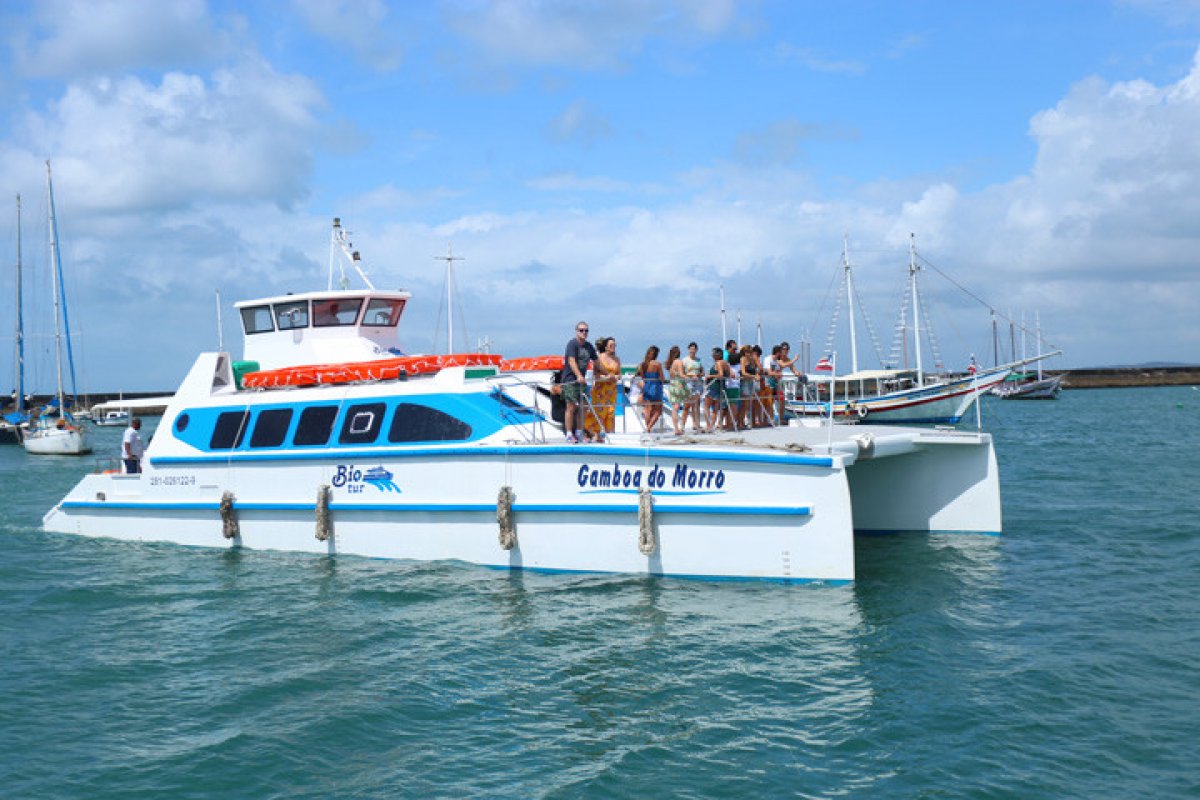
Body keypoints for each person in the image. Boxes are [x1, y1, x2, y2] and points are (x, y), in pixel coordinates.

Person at [561, 321, 597, 443]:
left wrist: (607, 374)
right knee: (571, 406)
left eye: (586, 330)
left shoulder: (589, 346)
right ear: (577, 331)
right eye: (581, 330)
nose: (584, 332)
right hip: (570, 379)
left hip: (581, 381)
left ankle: (579, 432)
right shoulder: (572, 344)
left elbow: (597, 362)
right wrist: (579, 375)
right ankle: (569, 434)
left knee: (584, 406)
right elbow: (571, 361)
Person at [585, 336, 620, 441]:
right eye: (611, 345)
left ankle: (609, 435)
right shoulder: (599, 358)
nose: (613, 347)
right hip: (600, 389)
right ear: (606, 347)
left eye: (614, 345)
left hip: (611, 390)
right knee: (600, 413)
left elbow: (619, 374)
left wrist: (615, 377)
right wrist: (607, 377)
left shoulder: (617, 359)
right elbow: (596, 375)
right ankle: (597, 435)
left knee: (610, 413)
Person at [635, 345, 665, 433]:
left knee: (648, 409)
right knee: (658, 411)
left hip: (646, 387)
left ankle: (648, 429)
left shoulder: (642, 364)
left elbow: (642, 378)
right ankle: (648, 428)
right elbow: (661, 378)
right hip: (655, 387)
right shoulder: (657, 364)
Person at [682, 342, 704, 433]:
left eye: (694, 349)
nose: (692, 350)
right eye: (691, 349)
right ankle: (682, 425)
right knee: (687, 405)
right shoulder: (685, 360)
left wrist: (698, 375)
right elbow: (682, 373)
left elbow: (703, 372)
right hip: (688, 383)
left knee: (697, 404)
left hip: (698, 382)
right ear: (688, 349)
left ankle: (696, 423)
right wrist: (690, 375)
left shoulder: (699, 360)